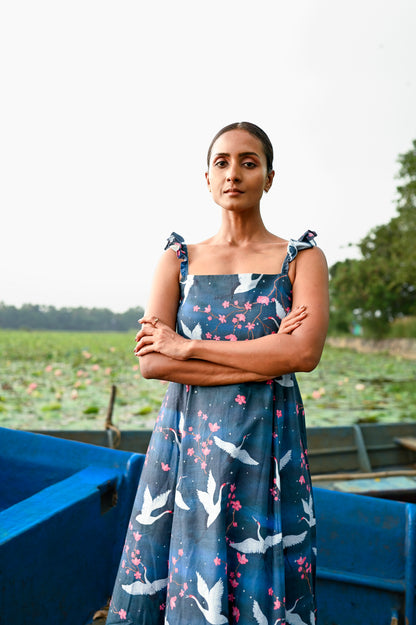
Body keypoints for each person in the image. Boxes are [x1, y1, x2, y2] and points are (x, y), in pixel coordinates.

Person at [106, 122, 329, 625]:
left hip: (268, 447)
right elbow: (151, 362)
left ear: (270, 177)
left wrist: (189, 347)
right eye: (222, 163)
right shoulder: (177, 260)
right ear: (206, 178)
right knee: (187, 573)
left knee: (264, 579)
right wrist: (266, 354)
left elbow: (303, 355)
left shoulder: (302, 259)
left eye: (249, 163)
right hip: (184, 448)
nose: (234, 174)